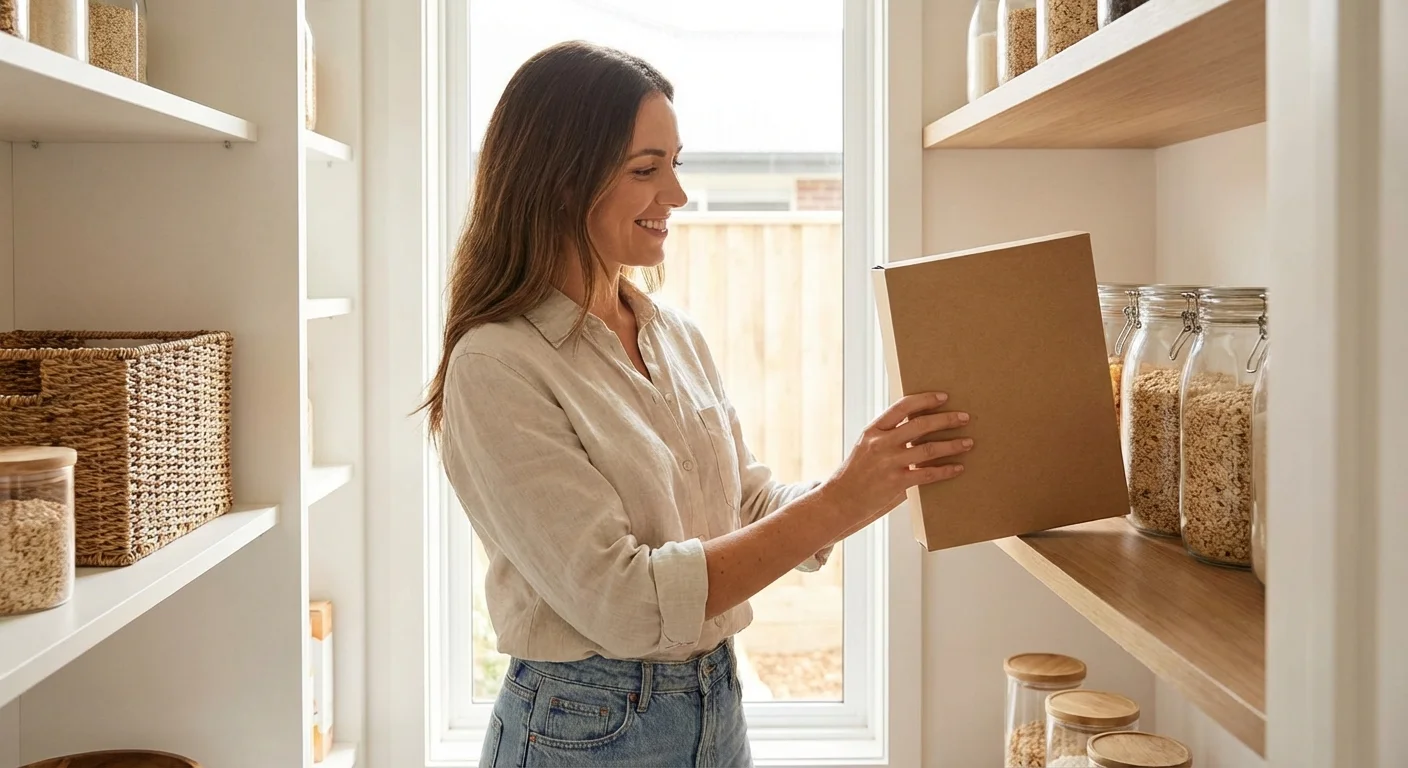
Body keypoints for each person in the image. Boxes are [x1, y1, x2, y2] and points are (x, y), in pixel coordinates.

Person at [421, 40, 974, 768]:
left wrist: (882, 474)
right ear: (559, 181)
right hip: (585, 728)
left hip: (716, 703)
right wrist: (840, 500)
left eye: (674, 164)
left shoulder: (672, 334)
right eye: (646, 170)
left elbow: (742, 501)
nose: (676, 195)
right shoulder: (496, 364)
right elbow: (628, 602)